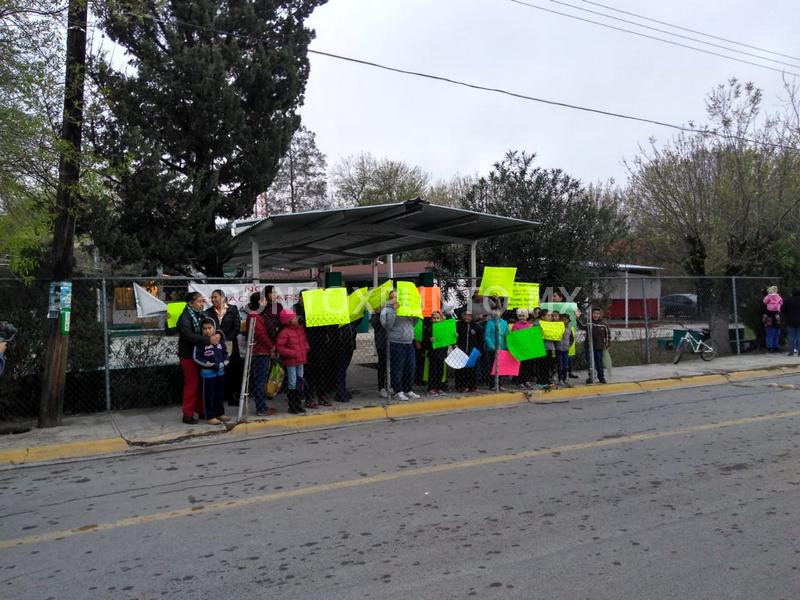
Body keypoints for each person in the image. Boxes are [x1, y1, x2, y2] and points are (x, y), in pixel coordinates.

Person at [178, 291, 220, 424]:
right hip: (189, 355)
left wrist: (217, 335)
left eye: (203, 301)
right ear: (191, 303)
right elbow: (188, 336)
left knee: (202, 384)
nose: (202, 304)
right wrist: (208, 340)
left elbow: (212, 326)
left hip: (201, 354)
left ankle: (202, 410)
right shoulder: (184, 317)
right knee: (192, 385)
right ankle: (188, 414)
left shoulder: (201, 315)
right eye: (199, 301)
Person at [381, 291, 420, 402]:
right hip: (396, 342)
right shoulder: (387, 309)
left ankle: (408, 389)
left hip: (409, 341)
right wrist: (394, 310)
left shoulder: (406, 308)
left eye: (398, 296)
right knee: (398, 368)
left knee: (410, 367)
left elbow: (414, 323)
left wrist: (416, 312)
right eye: (394, 296)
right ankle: (398, 391)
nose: (396, 298)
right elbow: (387, 325)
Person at [205, 289, 243, 406]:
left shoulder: (232, 309)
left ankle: (233, 397)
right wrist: (215, 340)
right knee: (219, 369)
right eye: (212, 297)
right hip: (214, 345)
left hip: (230, 343)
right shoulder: (208, 312)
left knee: (232, 369)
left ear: (223, 298)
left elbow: (237, 327)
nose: (213, 299)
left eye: (215, 297)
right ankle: (220, 397)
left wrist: (224, 339)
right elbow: (207, 328)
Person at [193, 318, 230, 425]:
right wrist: (208, 364)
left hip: (220, 372)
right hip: (207, 373)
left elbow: (225, 354)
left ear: (214, 328)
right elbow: (196, 357)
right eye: (204, 329)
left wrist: (225, 362)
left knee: (219, 394)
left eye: (209, 328)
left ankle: (220, 413)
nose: (207, 331)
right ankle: (210, 416)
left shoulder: (219, 341)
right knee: (209, 395)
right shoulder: (200, 342)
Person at [246, 292, 277, 416]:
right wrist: (271, 347)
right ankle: (261, 408)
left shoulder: (259, 314)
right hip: (260, 351)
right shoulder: (255, 316)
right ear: (259, 302)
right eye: (264, 300)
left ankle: (262, 406)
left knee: (262, 379)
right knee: (260, 380)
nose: (266, 302)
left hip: (263, 350)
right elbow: (260, 335)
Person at [276, 309, 310, 414]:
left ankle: (298, 403)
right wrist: (292, 353)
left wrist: (306, 347)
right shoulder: (285, 332)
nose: (296, 319)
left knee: (300, 381)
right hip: (291, 361)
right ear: (288, 321)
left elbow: (304, 340)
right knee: (292, 382)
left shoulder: (300, 329)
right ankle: (292, 405)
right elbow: (280, 347)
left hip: (301, 359)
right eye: (293, 318)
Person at [370, 291, 394, 398]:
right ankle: (382, 387)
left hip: (393, 341)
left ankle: (391, 385)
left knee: (392, 365)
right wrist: (380, 312)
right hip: (382, 343)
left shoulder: (393, 312)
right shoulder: (377, 315)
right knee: (382, 365)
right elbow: (376, 324)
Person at [578, 307, 611, 384]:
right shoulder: (589, 323)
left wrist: (607, 345)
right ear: (591, 314)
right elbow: (582, 326)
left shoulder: (603, 325)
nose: (595, 315)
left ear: (600, 315)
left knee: (599, 362)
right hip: (589, 347)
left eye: (597, 314)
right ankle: (592, 377)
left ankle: (601, 377)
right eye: (594, 314)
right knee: (590, 362)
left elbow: (608, 335)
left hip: (599, 347)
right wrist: (577, 318)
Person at [484, 306, 509, 389]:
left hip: (502, 348)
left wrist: (508, 346)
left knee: (501, 366)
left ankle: (500, 384)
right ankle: (492, 384)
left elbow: (507, 335)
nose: (496, 313)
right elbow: (487, 336)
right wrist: (492, 346)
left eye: (498, 311)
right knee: (492, 366)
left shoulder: (504, 323)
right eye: (494, 311)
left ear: (501, 313)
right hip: (493, 349)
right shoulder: (490, 323)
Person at [424, 310, 448, 396]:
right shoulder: (429, 328)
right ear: (431, 319)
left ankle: (438, 387)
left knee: (440, 372)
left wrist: (455, 335)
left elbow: (449, 338)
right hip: (433, 354)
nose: (435, 320)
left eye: (437, 318)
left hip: (442, 353)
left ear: (441, 319)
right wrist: (429, 340)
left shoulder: (444, 328)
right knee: (432, 371)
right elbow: (425, 342)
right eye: (434, 318)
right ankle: (431, 388)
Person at [455, 310, 480, 392]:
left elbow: (480, 340)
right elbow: (452, 337)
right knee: (460, 369)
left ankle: (472, 385)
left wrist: (479, 351)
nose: (467, 317)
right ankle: (460, 386)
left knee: (472, 369)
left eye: (469, 315)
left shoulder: (476, 326)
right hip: (460, 350)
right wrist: (455, 342)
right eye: (465, 315)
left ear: (472, 316)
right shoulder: (458, 325)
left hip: (472, 351)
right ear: (462, 316)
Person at [511, 308, 533, 389]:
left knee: (527, 366)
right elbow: (515, 337)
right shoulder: (515, 325)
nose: (522, 317)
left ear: (527, 316)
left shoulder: (529, 325)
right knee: (520, 366)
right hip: (520, 349)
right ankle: (519, 381)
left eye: (523, 316)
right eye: (520, 316)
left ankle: (526, 380)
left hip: (528, 349)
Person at [555, 313, 574, 387]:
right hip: (558, 349)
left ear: (568, 321)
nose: (564, 321)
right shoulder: (557, 328)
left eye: (566, 320)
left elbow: (571, 338)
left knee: (565, 366)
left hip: (566, 350)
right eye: (563, 320)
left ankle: (565, 379)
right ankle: (560, 379)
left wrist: (569, 345)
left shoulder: (569, 329)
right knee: (560, 365)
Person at [763, 285, 782, 353]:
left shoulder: (767, 297)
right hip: (777, 315)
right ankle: (776, 346)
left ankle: (770, 347)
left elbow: (764, 302)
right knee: (776, 332)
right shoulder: (779, 297)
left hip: (769, 315)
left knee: (769, 333)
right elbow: (781, 303)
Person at [782, 288, 800, 356]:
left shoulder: (788, 300)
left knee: (791, 337)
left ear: (792, 293)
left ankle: (791, 351)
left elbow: (782, 310)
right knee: (799, 336)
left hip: (790, 320)